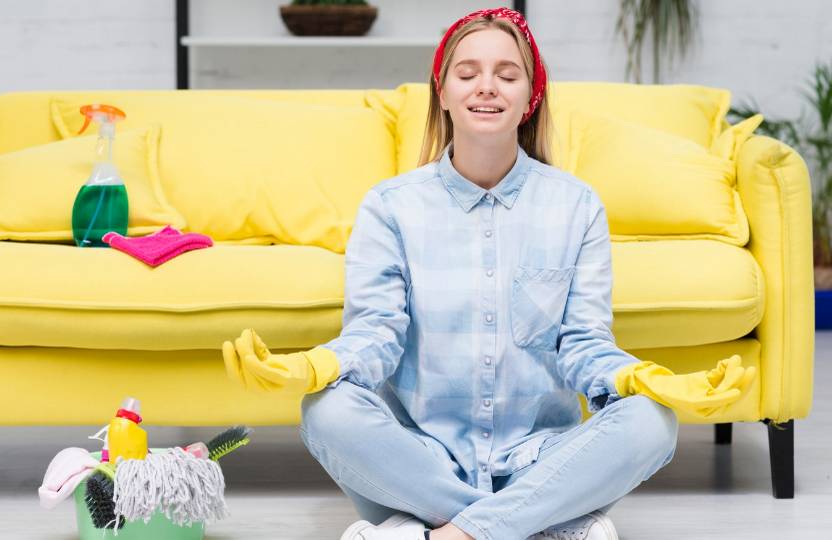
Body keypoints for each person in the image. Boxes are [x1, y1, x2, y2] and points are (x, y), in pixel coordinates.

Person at [222, 7, 755, 540]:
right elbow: (376, 334)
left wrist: (644, 379)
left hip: (539, 456)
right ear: (443, 90)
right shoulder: (390, 207)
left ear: (531, 96)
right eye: (468, 72)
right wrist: (314, 366)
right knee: (325, 411)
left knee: (652, 422)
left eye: (507, 74)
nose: (487, 87)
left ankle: (432, 530)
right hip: (423, 459)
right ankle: (542, 525)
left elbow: (583, 344)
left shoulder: (576, 206)